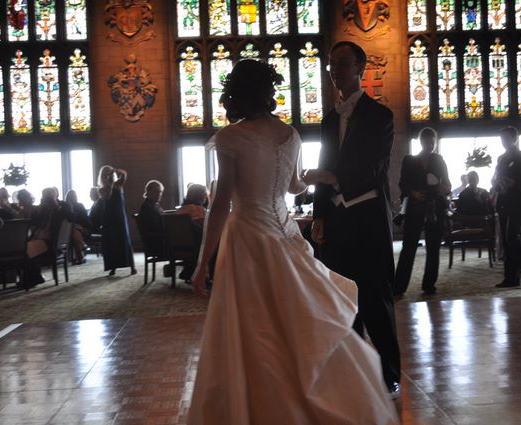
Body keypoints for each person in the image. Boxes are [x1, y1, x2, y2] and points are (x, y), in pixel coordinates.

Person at [187, 59, 398, 425]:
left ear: (236, 92)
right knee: (291, 319)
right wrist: (317, 178)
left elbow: (220, 205)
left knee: (253, 326)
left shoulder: (230, 137)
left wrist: (202, 261)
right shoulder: (290, 134)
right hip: (284, 234)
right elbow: (294, 186)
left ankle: (260, 404)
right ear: (268, 91)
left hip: (247, 238)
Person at [305, 41, 401, 399]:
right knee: (342, 298)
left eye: (342, 63)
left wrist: (332, 178)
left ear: (360, 68)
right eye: (331, 64)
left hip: (369, 219)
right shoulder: (329, 120)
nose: (335, 70)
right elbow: (324, 162)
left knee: (375, 298)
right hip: (336, 221)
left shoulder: (381, 116)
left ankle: (390, 375)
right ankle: (355, 371)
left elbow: (375, 168)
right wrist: (319, 213)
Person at [393, 127, 451, 297]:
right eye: (427, 142)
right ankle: (399, 286)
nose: (430, 145)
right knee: (409, 246)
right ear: (421, 142)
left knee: (433, 247)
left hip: (435, 208)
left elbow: (447, 185)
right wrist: (414, 194)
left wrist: (442, 188)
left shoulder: (439, 160)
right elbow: (403, 184)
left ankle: (429, 285)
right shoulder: (409, 160)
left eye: (432, 142)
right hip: (415, 207)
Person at [492, 126, 521, 288]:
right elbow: (496, 177)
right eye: (502, 138)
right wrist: (497, 183)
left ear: (514, 139)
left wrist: (515, 182)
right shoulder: (501, 158)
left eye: (506, 138)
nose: (504, 141)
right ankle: (510, 278)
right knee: (506, 240)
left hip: (519, 200)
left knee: (512, 236)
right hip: (503, 200)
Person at [98, 165, 136, 276]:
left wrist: (115, 171)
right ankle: (113, 267)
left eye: (109, 173)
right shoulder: (102, 189)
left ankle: (132, 266)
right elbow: (106, 197)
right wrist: (109, 183)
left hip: (120, 217)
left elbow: (124, 174)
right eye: (106, 174)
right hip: (108, 218)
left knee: (125, 241)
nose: (108, 175)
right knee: (111, 243)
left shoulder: (118, 184)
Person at [65, 190, 91, 264]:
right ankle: (82, 248)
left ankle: (80, 255)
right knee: (73, 230)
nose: (72, 198)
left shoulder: (80, 206)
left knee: (74, 230)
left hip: (82, 229)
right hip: (69, 231)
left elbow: (86, 221)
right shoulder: (65, 208)